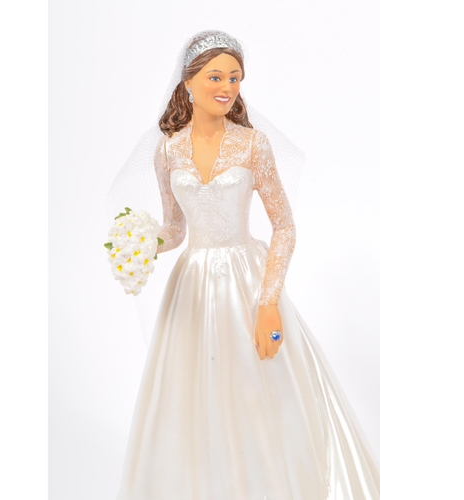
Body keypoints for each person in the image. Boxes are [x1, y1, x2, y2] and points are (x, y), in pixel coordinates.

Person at [112, 30, 379, 500]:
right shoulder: (167, 151)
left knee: (258, 391)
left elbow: (285, 226)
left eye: (235, 78)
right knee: (193, 394)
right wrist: (139, 244)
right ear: (188, 82)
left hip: (246, 282)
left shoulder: (253, 145)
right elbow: (175, 228)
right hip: (193, 287)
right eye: (216, 77)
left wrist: (268, 301)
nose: (228, 87)